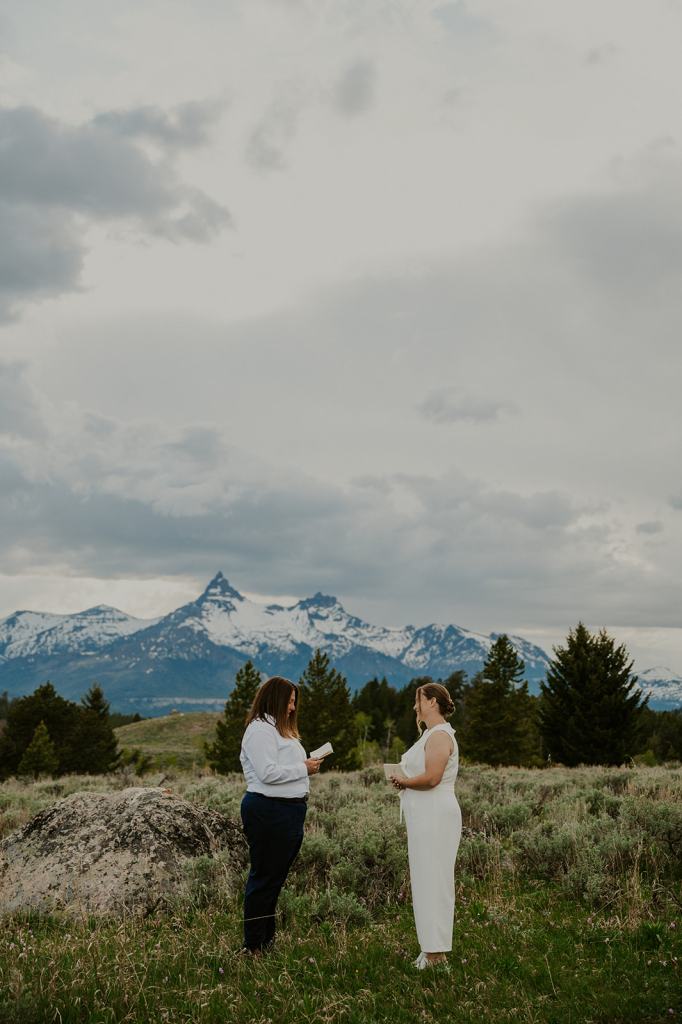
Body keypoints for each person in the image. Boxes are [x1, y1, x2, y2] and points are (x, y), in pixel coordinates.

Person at [239, 675, 322, 953]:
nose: (292, 708)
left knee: (274, 879)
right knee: (264, 878)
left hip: (287, 812)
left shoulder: (278, 729)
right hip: (268, 810)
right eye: (289, 701)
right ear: (276, 700)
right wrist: (304, 769)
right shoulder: (260, 730)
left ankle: (265, 941)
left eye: (294, 702)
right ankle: (253, 945)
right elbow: (267, 773)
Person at [390, 682, 461, 969]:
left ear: (432, 702)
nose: (415, 706)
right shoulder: (429, 734)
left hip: (436, 816)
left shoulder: (441, 736)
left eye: (418, 700)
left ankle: (436, 953)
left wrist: (403, 781)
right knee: (424, 880)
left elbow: (432, 777)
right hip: (425, 817)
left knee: (435, 880)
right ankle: (430, 947)